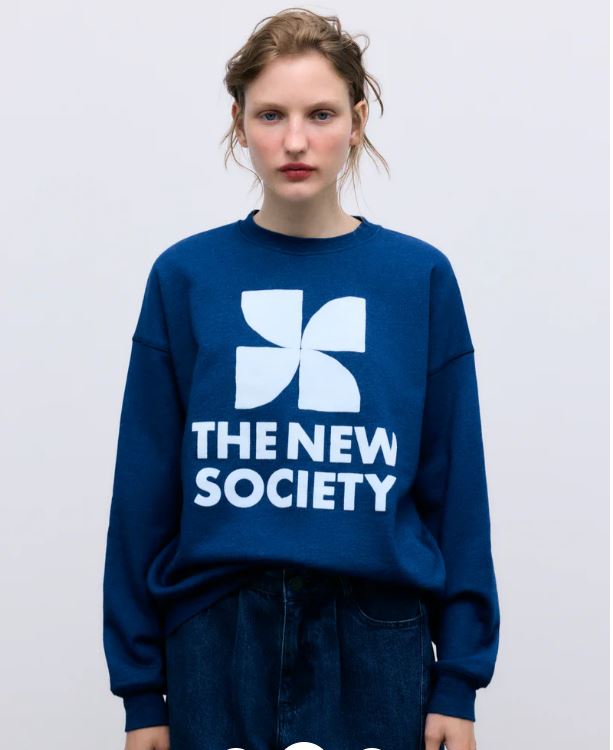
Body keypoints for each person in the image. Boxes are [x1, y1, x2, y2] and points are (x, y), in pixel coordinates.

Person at [102, 8, 500, 750]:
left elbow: (456, 489)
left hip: (378, 637)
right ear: (238, 123)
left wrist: (459, 680)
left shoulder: (416, 278)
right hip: (216, 635)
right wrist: (141, 694)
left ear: (356, 121)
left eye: (319, 114)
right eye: (270, 115)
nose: (294, 140)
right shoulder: (185, 276)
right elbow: (143, 492)